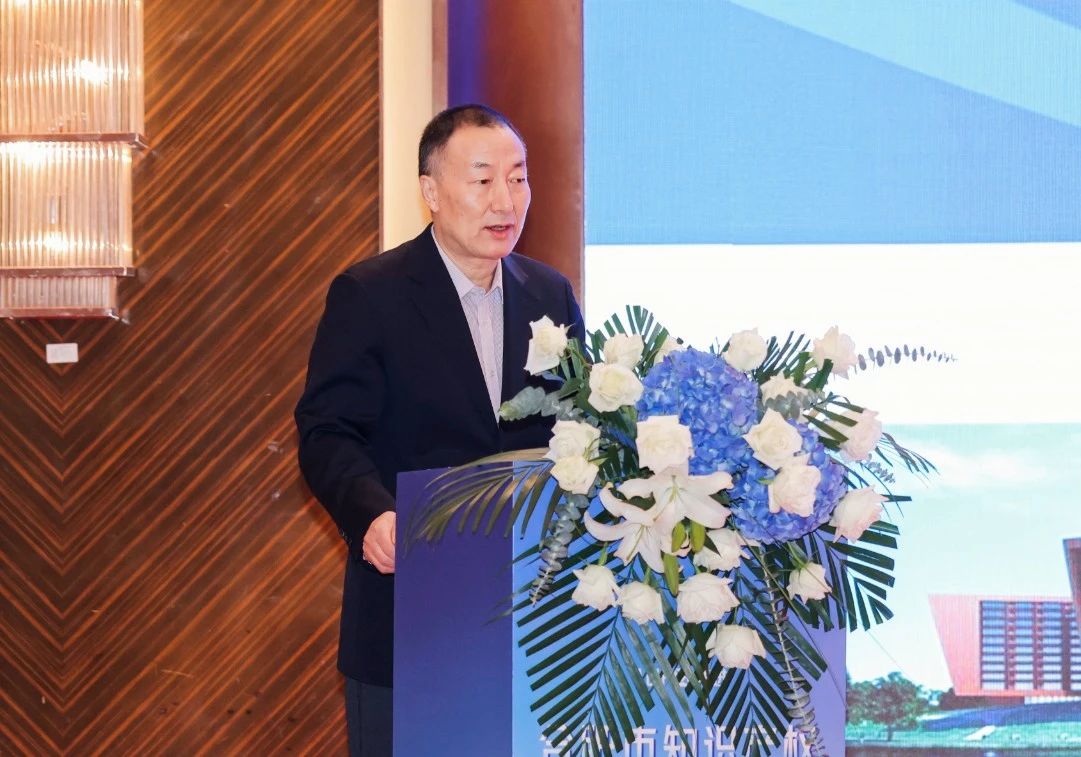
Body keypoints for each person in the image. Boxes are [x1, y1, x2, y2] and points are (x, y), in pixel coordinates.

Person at [294, 104, 585, 756]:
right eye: (482, 180)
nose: (505, 199)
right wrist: (372, 515)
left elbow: (579, 430)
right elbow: (327, 430)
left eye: (518, 178)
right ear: (430, 190)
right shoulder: (371, 293)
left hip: (531, 620)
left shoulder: (549, 294)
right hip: (410, 611)